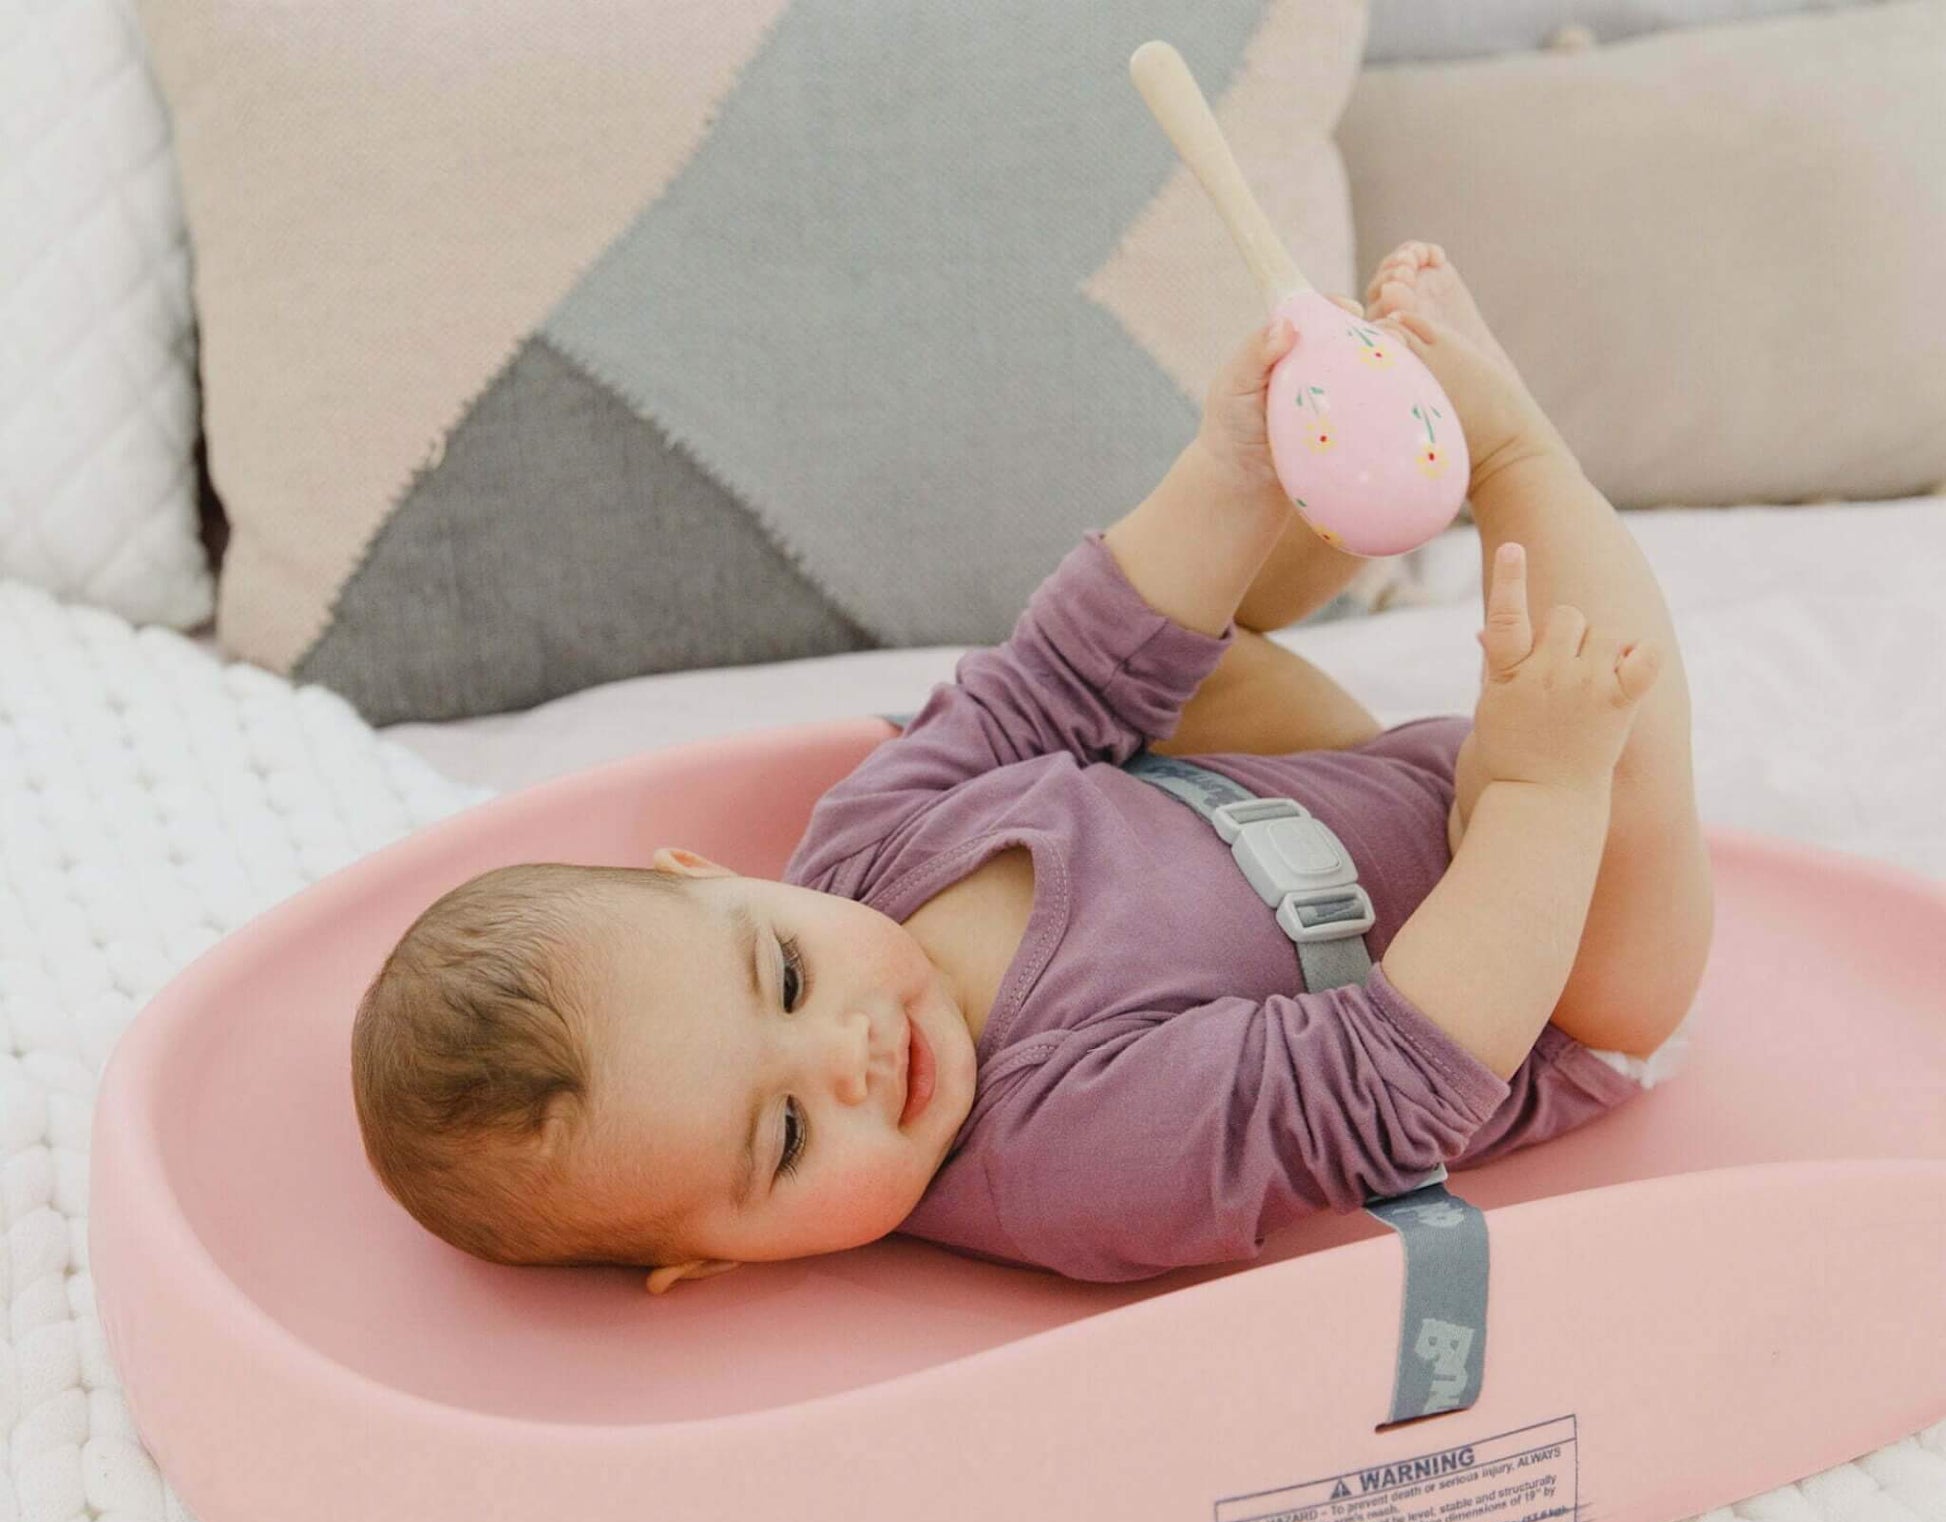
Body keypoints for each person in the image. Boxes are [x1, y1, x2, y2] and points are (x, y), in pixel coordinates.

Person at [351, 242, 1711, 1289]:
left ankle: (1317, 483)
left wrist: (1224, 466)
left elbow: (1058, 672)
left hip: (1320, 797)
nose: (846, 1056)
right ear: (713, 1260)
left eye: (784, 976)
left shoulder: (860, 853)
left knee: (1153, 659)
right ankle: (1513, 451)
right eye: (785, 1138)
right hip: (1533, 985)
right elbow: (1386, 1078)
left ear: (713, 877)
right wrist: (1536, 792)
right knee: (1612, 747)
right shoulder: (1066, 1165)